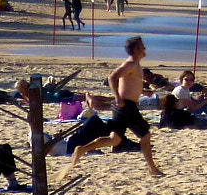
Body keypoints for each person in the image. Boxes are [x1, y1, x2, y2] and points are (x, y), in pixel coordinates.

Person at [66, 35, 164, 177]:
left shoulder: (136, 66)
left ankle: (82, 149)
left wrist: (143, 91)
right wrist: (117, 97)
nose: (145, 48)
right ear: (136, 49)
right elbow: (112, 77)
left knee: (115, 139)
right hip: (126, 106)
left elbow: (129, 84)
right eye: (142, 46)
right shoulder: (129, 64)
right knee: (145, 135)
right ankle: (152, 169)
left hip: (125, 106)